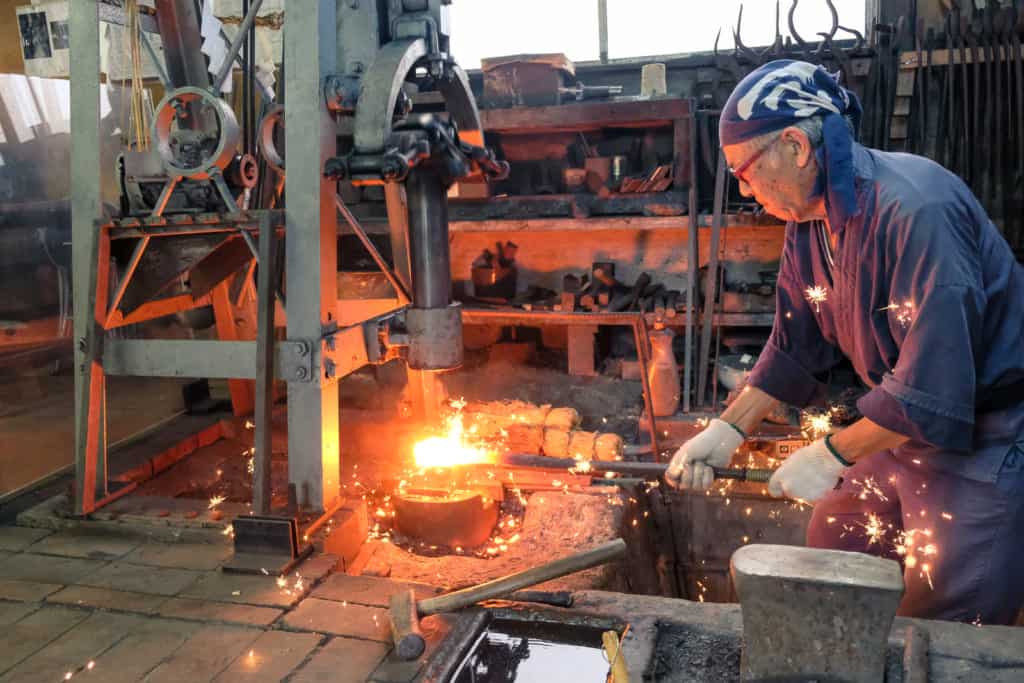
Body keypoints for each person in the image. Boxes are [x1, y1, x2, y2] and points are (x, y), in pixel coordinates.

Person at [664, 60, 1024, 624]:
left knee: (945, 614)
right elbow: (794, 343)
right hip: (898, 428)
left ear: (795, 146)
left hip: (985, 434)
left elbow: (934, 388)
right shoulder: (809, 220)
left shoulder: (915, 212)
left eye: (743, 170)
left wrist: (832, 452)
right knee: (839, 535)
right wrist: (729, 428)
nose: (742, 187)